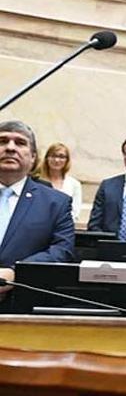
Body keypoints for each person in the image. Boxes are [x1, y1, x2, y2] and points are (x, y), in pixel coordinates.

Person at [0, 121, 74, 303]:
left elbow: (61, 250)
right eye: (2, 141)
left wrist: (16, 272)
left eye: (20, 142)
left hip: (23, 304)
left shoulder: (56, 203)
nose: (10, 148)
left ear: (33, 157)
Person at [37, 143, 83, 223]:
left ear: (67, 160)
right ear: (47, 158)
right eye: (53, 156)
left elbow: (75, 211)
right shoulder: (37, 182)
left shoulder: (74, 184)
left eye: (61, 157)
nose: (57, 160)